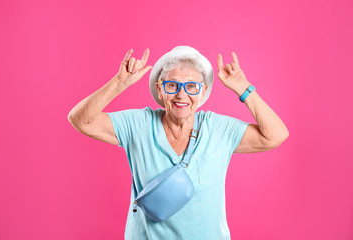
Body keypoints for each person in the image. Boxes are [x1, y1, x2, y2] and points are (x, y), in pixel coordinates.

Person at [68, 46, 289, 240]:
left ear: (202, 91)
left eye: (192, 86)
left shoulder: (218, 128)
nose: (181, 95)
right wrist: (118, 83)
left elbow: (276, 135)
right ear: (160, 89)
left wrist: (244, 88)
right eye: (172, 85)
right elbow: (80, 120)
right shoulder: (138, 124)